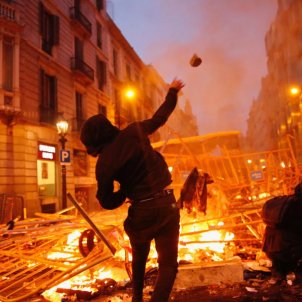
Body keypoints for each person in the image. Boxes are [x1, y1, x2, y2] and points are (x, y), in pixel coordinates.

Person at [80, 78, 185, 302]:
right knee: (168, 264)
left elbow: (107, 201)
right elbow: (160, 118)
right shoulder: (133, 131)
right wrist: (172, 92)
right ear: (108, 128)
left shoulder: (104, 163)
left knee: (139, 257)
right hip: (167, 204)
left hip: (142, 211)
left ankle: (137, 298)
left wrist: (124, 192)